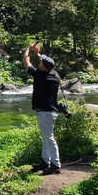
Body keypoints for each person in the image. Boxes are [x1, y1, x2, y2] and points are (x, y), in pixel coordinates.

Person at [22, 41, 61, 174]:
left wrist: (28, 49)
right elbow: (46, 65)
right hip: (52, 112)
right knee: (46, 137)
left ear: (43, 65)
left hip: (45, 113)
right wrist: (38, 54)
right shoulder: (54, 75)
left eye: (41, 61)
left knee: (49, 138)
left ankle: (55, 164)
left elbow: (25, 62)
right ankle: (45, 161)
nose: (40, 62)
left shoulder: (39, 75)